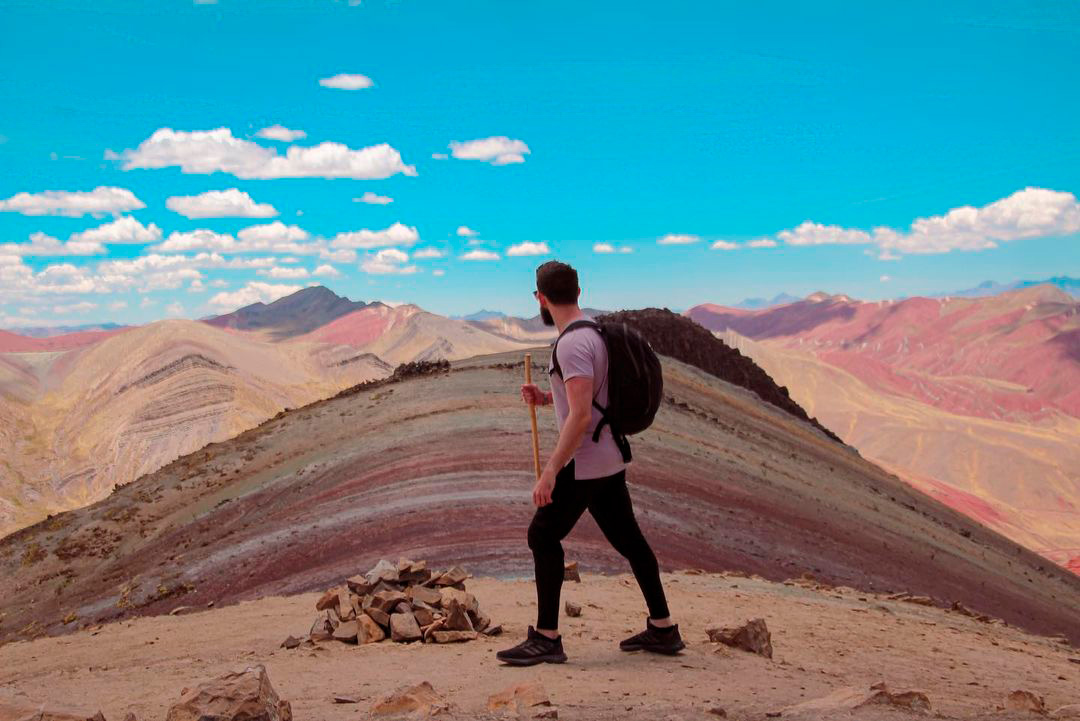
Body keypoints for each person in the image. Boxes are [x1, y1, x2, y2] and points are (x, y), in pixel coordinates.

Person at [496, 260, 683, 666]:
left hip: (585, 463)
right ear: (579, 292)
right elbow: (592, 399)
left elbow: (580, 418)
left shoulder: (571, 344)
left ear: (539, 299)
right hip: (609, 458)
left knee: (542, 536)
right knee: (630, 541)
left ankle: (547, 638)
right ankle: (664, 628)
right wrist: (547, 398)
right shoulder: (593, 332)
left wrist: (549, 472)